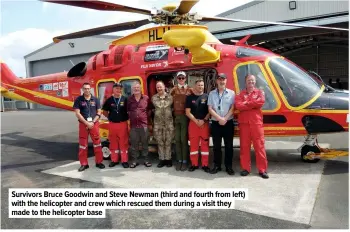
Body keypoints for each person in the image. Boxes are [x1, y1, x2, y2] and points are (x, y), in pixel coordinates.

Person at [235, 74, 269, 179]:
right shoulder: (240, 94)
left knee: (260, 147)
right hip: (244, 124)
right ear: (245, 82)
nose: (251, 82)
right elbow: (238, 105)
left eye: (253, 80)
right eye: (249, 80)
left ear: (255, 82)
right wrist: (252, 104)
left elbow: (260, 102)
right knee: (244, 148)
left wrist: (246, 103)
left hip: (256, 124)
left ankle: (262, 170)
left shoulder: (260, 92)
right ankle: (245, 168)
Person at [207, 73, 235, 175]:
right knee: (216, 146)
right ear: (216, 81)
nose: (221, 81)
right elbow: (210, 108)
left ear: (226, 81)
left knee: (229, 146)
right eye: (219, 79)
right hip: (215, 123)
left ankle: (228, 166)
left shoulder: (232, 93)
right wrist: (219, 118)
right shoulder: (211, 94)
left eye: (223, 79)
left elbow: (233, 108)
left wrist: (225, 118)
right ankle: (217, 166)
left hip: (228, 122)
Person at [73, 82, 104, 172]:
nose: (87, 90)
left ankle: (99, 162)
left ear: (90, 89)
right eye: (85, 88)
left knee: (97, 143)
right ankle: (84, 164)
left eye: (88, 88)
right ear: (82, 89)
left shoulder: (96, 99)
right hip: (83, 124)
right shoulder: (78, 100)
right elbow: (77, 113)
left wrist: (93, 122)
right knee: (83, 145)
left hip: (94, 124)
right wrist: (87, 123)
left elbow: (99, 112)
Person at [102, 82, 129, 168]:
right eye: (117, 88)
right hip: (113, 124)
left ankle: (124, 161)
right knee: (113, 142)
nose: (118, 90)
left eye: (120, 88)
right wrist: (111, 117)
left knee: (123, 143)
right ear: (113, 89)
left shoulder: (125, 99)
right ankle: (114, 160)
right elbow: (105, 112)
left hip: (123, 124)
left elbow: (128, 111)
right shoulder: (109, 100)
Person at [185, 79, 211, 172]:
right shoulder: (189, 98)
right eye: (198, 85)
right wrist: (196, 121)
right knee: (193, 145)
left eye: (202, 85)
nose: (200, 87)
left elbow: (210, 111)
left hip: (204, 123)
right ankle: (194, 164)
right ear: (195, 86)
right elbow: (187, 112)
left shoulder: (207, 97)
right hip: (193, 124)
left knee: (205, 145)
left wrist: (204, 120)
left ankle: (205, 164)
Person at [170, 71, 193, 171]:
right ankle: (179, 160)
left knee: (184, 140)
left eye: (182, 78)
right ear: (176, 79)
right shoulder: (173, 90)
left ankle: (185, 161)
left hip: (185, 117)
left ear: (185, 78)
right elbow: (169, 102)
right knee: (177, 139)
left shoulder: (190, 90)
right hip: (176, 116)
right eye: (179, 78)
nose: (181, 80)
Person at [127, 81, 152, 168]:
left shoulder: (146, 98)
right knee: (134, 145)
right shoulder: (129, 99)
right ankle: (134, 161)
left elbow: (149, 110)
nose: (136, 89)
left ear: (140, 88)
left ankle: (146, 160)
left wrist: (145, 119)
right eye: (134, 88)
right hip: (134, 126)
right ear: (132, 89)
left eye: (137, 87)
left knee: (145, 144)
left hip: (143, 125)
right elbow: (128, 111)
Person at [151, 81, 174, 168]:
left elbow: (165, 105)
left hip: (168, 124)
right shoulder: (154, 98)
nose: (159, 89)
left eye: (161, 87)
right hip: (158, 124)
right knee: (160, 142)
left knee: (168, 142)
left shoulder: (170, 97)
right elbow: (159, 105)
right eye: (158, 87)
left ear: (164, 87)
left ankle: (168, 159)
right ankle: (162, 159)